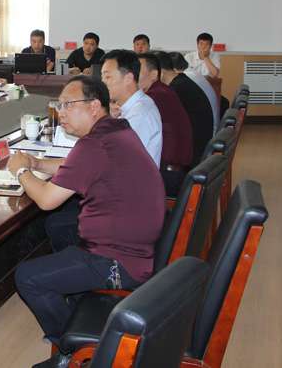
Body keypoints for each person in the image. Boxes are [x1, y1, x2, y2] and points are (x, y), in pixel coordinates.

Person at [9, 76, 165, 347]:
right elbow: (75, 164)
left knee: (27, 277)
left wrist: (20, 170)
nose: (61, 112)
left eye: (68, 105)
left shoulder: (94, 144)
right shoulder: (114, 130)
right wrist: (37, 163)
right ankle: (77, 305)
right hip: (135, 244)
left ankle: (71, 347)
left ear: (94, 106)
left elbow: (46, 200)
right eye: (59, 105)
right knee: (59, 226)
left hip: (119, 260)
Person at [138, 52, 193, 197]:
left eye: (138, 70)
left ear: (154, 74)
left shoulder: (155, 96)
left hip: (168, 176)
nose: (132, 75)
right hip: (175, 169)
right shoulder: (161, 90)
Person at [100, 49, 162, 166]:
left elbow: (114, 156)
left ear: (128, 78)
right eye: (102, 77)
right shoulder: (129, 108)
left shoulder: (140, 113)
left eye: (108, 77)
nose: (102, 83)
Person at [157, 51, 214, 167]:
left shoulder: (176, 89)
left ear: (159, 72)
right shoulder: (181, 81)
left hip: (194, 151)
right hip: (201, 143)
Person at [174, 52, 220, 133]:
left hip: (206, 132)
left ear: (173, 69)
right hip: (210, 126)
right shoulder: (193, 73)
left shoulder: (184, 80)